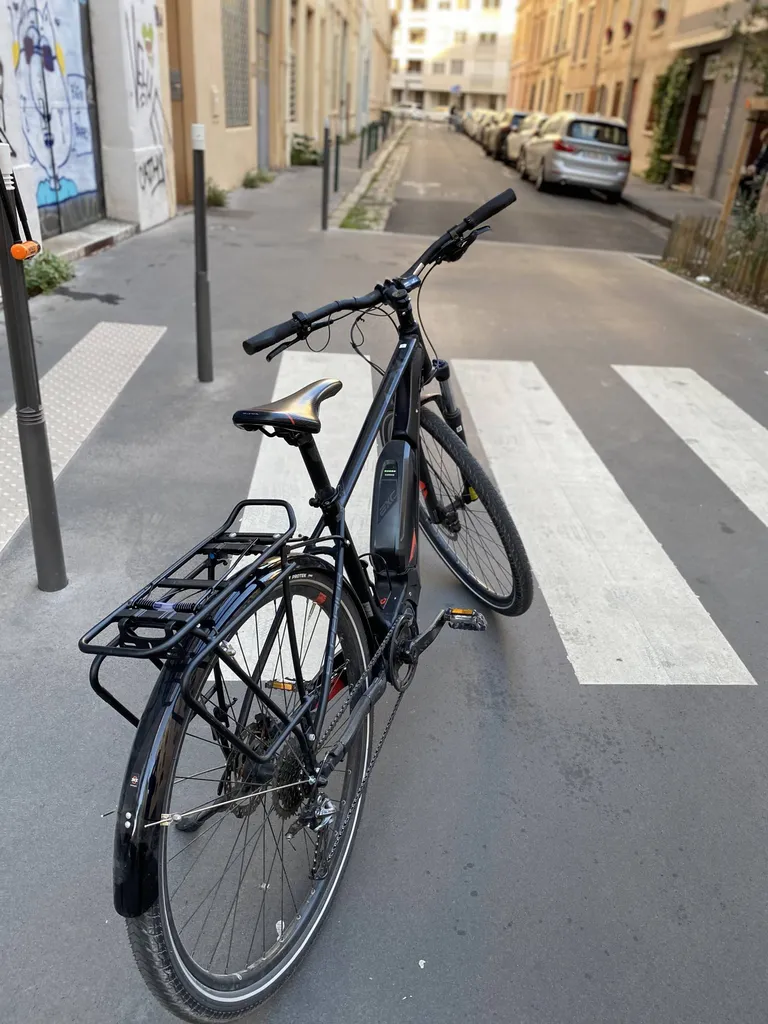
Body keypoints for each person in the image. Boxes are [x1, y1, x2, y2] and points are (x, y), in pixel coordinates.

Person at [738, 127, 768, 205]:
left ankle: (747, 202)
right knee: (742, 180)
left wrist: (757, 170)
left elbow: (764, 164)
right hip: (757, 172)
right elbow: (759, 160)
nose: (765, 143)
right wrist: (753, 167)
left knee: (747, 183)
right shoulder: (764, 148)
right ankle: (744, 200)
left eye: (765, 140)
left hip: (762, 175)